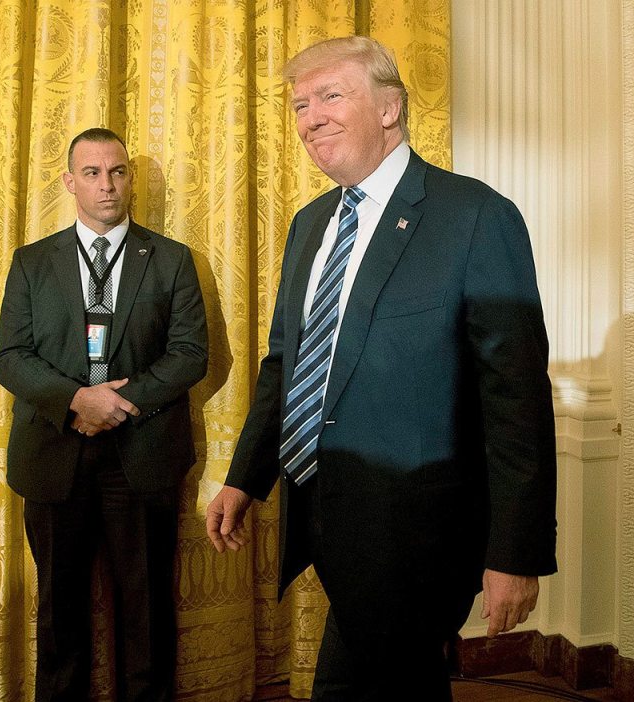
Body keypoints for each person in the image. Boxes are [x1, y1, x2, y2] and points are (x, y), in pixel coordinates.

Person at [205, 36, 557, 701]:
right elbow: (287, 362)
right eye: (301, 105)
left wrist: (515, 551)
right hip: (329, 516)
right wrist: (245, 477)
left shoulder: (476, 216)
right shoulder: (310, 224)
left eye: (331, 96)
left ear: (391, 107)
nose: (310, 118)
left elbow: (516, 400)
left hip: (421, 533)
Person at [0, 127, 208, 701]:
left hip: (141, 457)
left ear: (129, 178)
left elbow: (190, 354)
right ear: (70, 182)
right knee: (59, 612)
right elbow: (9, 356)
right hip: (52, 456)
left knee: (145, 608)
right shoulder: (32, 262)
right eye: (92, 173)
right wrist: (75, 402)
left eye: (117, 171)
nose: (107, 185)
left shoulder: (172, 260)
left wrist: (117, 405)